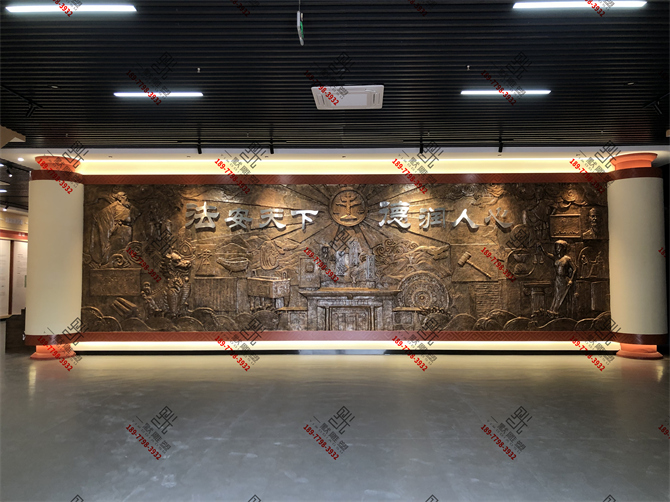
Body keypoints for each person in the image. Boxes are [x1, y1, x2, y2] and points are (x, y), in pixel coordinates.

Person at [537, 240, 576, 316]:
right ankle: (553, 310)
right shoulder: (556, 258)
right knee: (556, 295)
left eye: (559, 247)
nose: (557, 249)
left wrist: (571, 280)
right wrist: (541, 247)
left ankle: (556, 310)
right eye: (557, 247)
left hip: (564, 279)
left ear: (563, 248)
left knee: (561, 296)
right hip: (557, 279)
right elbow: (546, 254)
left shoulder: (567, 258)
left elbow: (575, 269)